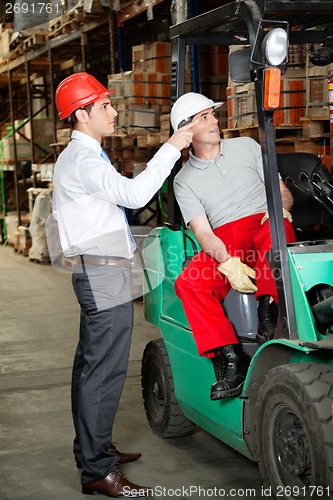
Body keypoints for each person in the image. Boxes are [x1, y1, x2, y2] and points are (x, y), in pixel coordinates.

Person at [51, 72, 195, 497]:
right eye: (104, 106)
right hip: (103, 273)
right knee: (104, 370)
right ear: (82, 114)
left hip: (98, 269)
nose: (114, 112)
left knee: (89, 367)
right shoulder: (85, 160)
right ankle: (97, 469)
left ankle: (92, 451)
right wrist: (171, 148)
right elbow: (133, 196)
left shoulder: (80, 156)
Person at [171, 92, 296, 401]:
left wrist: (280, 208)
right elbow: (203, 232)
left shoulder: (247, 147)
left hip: (267, 218)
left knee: (276, 232)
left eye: (213, 115)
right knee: (189, 284)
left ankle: (271, 312)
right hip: (225, 238)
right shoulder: (183, 181)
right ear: (186, 132)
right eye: (204, 117)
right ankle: (231, 357)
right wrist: (225, 260)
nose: (215, 120)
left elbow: (280, 191)